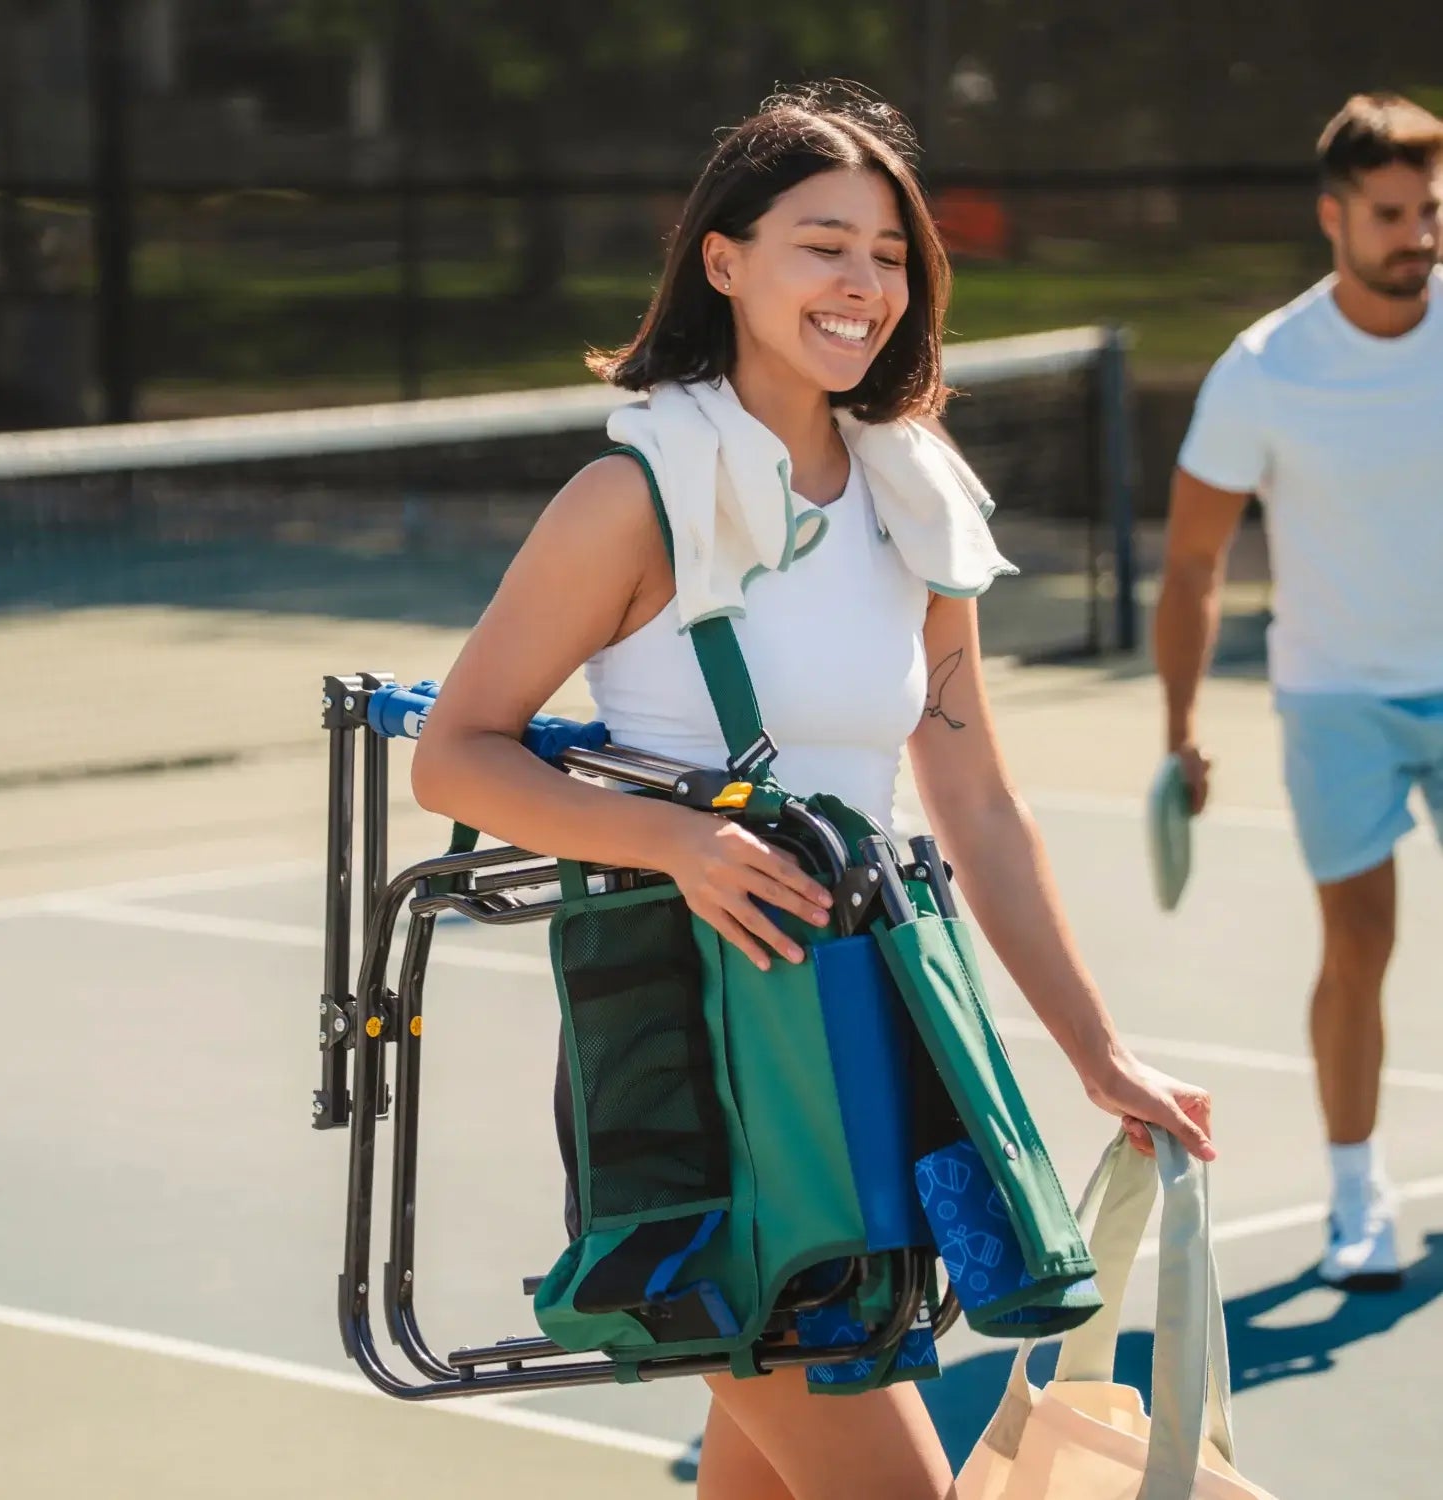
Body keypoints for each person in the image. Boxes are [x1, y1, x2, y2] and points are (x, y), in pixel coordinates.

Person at [414, 81, 1215, 1500]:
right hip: (716, 1066)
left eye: (890, 255)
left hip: (863, 1035)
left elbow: (975, 809)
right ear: (722, 261)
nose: (864, 284)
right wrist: (680, 845)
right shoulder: (636, 495)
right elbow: (457, 751)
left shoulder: (919, 496)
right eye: (821, 244)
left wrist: (1096, 1052)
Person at [1156, 91, 1443, 1294]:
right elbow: (1192, 561)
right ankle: (1355, 1193)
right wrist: (1179, 727)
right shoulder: (1265, 370)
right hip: (1336, 701)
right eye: (1392, 213)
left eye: (1432, 208)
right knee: (1358, 943)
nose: (1417, 234)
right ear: (1334, 217)